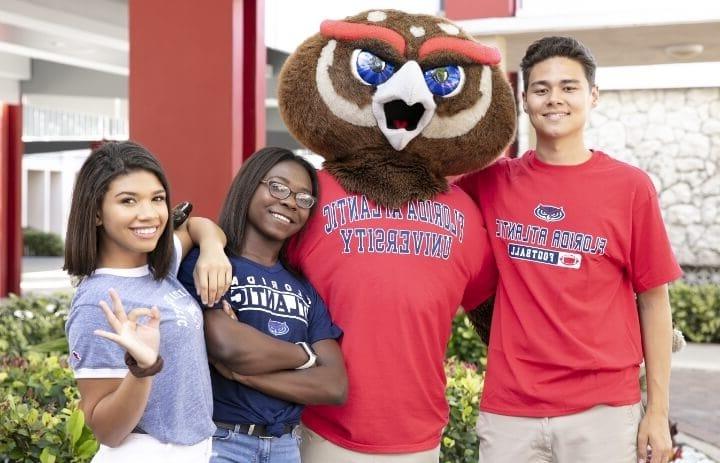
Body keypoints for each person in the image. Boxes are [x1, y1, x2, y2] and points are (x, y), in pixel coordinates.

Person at [456, 36, 681, 463]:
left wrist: (657, 412)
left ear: (592, 96)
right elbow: (426, 192)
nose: (554, 99)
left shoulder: (630, 187)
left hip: (603, 413)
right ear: (524, 100)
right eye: (541, 89)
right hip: (510, 412)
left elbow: (654, 301)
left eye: (569, 87)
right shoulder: (491, 182)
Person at [64, 141, 232, 462]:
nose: (150, 214)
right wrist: (143, 368)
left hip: (196, 450)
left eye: (157, 199)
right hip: (148, 452)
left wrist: (212, 248)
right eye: (128, 201)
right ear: (97, 213)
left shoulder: (158, 264)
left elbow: (197, 226)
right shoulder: (97, 301)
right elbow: (106, 431)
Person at [177, 146, 346, 463]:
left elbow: (333, 385)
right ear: (250, 184)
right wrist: (307, 355)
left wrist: (247, 376)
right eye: (278, 187)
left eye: (303, 198)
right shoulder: (208, 263)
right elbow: (227, 346)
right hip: (222, 442)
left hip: (285, 446)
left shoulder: (304, 289)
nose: (289, 202)